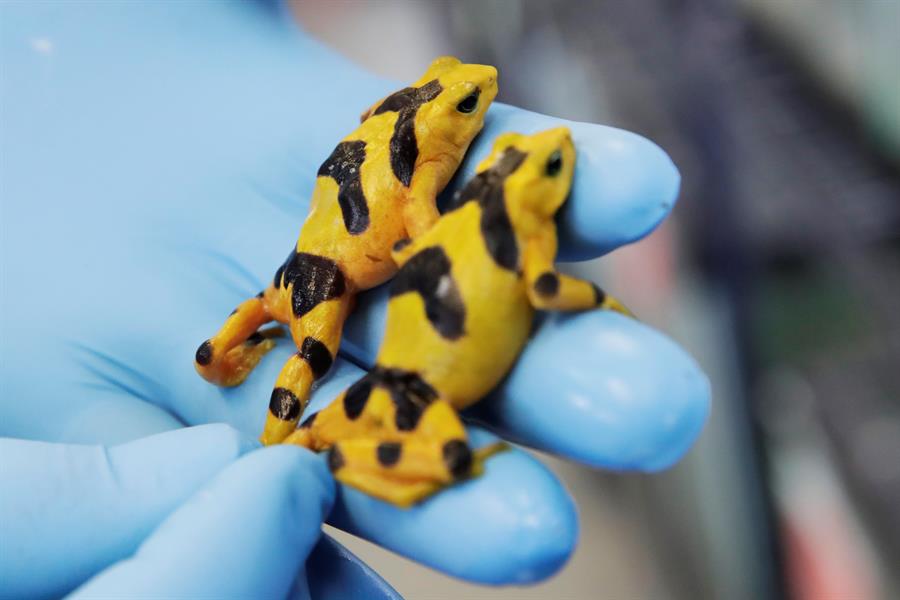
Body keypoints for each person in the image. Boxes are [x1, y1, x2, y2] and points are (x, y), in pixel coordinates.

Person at [0, 1, 710, 597]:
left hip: (305, 254)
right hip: (327, 274)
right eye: (465, 102)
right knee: (310, 353)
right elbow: (429, 238)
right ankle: (276, 436)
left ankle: (222, 357)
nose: (482, 90)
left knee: (258, 303)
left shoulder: (408, 125)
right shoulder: (430, 163)